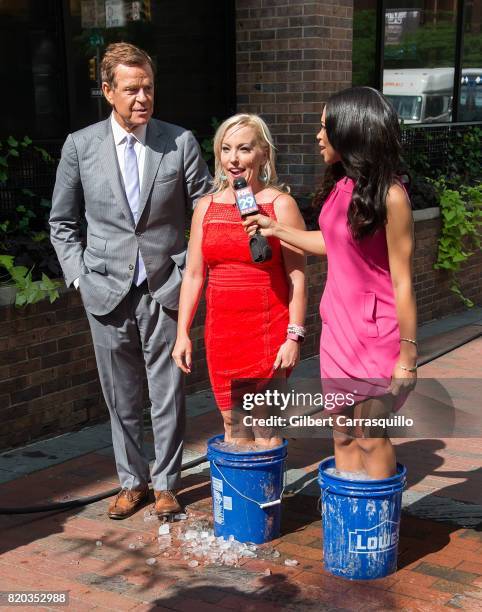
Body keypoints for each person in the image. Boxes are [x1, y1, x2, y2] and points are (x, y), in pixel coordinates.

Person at [50, 43, 211, 518]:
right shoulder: (80, 146)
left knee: (167, 393)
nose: (142, 97)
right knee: (120, 395)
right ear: (107, 92)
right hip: (104, 288)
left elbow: (204, 207)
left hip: (164, 286)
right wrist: (78, 276)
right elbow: (62, 222)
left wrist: (190, 270)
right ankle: (131, 481)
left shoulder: (178, 142)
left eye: (149, 87)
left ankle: (165, 484)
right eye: (131, 89)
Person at [244, 87, 417, 477]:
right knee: (341, 433)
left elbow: (403, 281)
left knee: (371, 434)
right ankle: (349, 519)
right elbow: (331, 242)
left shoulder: (391, 196)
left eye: (325, 127)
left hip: (376, 333)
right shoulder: (341, 186)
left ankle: (376, 523)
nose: (318, 136)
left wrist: (407, 357)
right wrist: (274, 228)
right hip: (337, 329)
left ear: (351, 130)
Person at [172, 114, 306, 447]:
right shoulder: (206, 207)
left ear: (263, 153)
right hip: (223, 335)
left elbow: (297, 278)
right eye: (226, 149)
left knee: (265, 427)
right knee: (233, 425)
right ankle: (241, 498)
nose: (233, 159)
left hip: (267, 331)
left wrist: (295, 336)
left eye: (244, 149)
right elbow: (192, 274)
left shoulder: (280, 205)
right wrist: (182, 334)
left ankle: (265, 498)